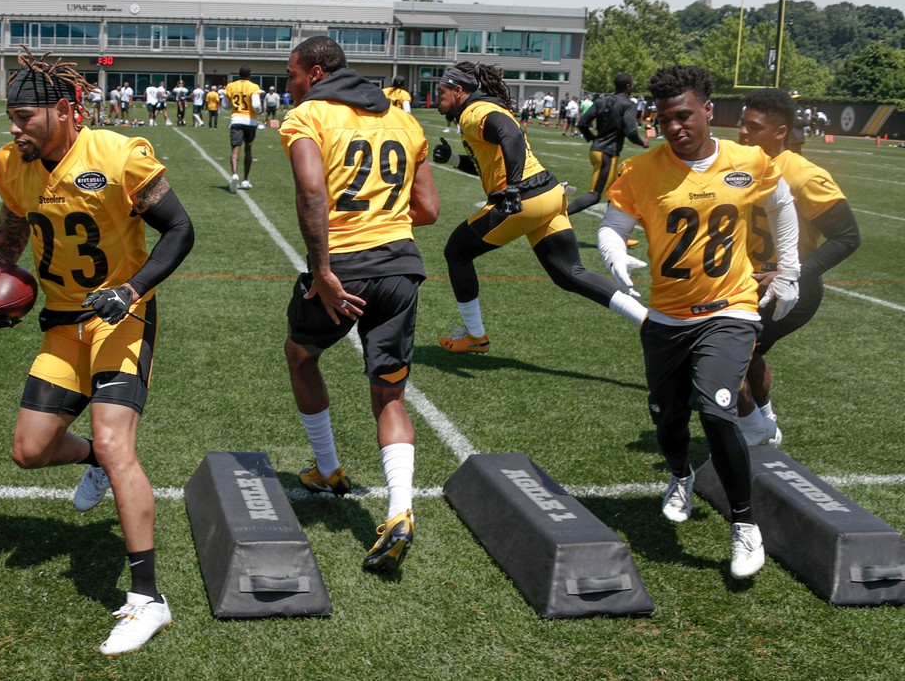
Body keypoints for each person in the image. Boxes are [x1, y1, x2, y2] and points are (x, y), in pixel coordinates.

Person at [0, 50, 195, 656]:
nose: (14, 128)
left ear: (64, 110)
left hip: (122, 316)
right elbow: (9, 232)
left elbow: (181, 229)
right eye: (9, 116)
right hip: (62, 324)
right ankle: (92, 460)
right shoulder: (14, 165)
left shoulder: (118, 154)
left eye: (24, 115)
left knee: (120, 443)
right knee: (28, 451)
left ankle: (148, 599)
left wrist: (132, 288)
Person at [598, 65, 802, 579]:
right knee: (667, 417)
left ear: (708, 110)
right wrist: (613, 252)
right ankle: (679, 475)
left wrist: (791, 269)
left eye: (684, 115)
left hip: (729, 308)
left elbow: (782, 202)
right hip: (666, 314)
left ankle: (744, 525)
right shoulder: (644, 170)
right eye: (664, 118)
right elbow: (613, 223)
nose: (674, 127)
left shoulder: (747, 160)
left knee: (716, 410)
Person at [280, 36, 439, 574]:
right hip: (401, 264)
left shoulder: (310, 116)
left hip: (343, 268)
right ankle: (399, 510)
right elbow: (430, 209)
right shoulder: (404, 120)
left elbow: (310, 193)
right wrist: (383, 219)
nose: (290, 84)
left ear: (317, 73)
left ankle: (327, 467)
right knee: (389, 395)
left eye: (294, 74)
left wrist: (323, 270)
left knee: (301, 355)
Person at [432, 62, 647, 354]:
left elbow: (511, 135)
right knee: (570, 273)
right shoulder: (477, 110)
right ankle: (648, 320)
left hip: (526, 199)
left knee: (456, 251)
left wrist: (513, 187)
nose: (438, 96)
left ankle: (475, 336)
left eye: (442, 91)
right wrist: (455, 160)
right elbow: (491, 162)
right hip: (550, 195)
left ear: (458, 91)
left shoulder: (474, 112)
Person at [735, 87, 860, 445]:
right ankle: (766, 421)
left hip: (791, 287)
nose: (743, 133)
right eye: (742, 124)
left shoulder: (803, 176)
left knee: (729, 355)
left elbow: (848, 237)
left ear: (780, 133)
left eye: (754, 127)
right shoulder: (739, 164)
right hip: (748, 282)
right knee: (747, 350)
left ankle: (755, 431)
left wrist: (790, 273)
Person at [571, 73, 649, 215]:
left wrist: (592, 138)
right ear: (628, 87)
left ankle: (612, 230)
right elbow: (631, 132)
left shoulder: (602, 100)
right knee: (594, 196)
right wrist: (641, 141)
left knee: (615, 192)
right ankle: (558, 216)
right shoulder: (628, 104)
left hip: (596, 151)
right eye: (631, 85)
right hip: (608, 154)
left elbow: (582, 123)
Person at [224, 67, 263, 192]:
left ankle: (235, 173)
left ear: (238, 74)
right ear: (249, 75)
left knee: (236, 148)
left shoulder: (230, 86)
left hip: (236, 119)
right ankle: (245, 179)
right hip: (250, 120)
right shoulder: (253, 87)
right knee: (248, 149)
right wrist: (259, 111)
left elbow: (225, 104)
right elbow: (256, 105)